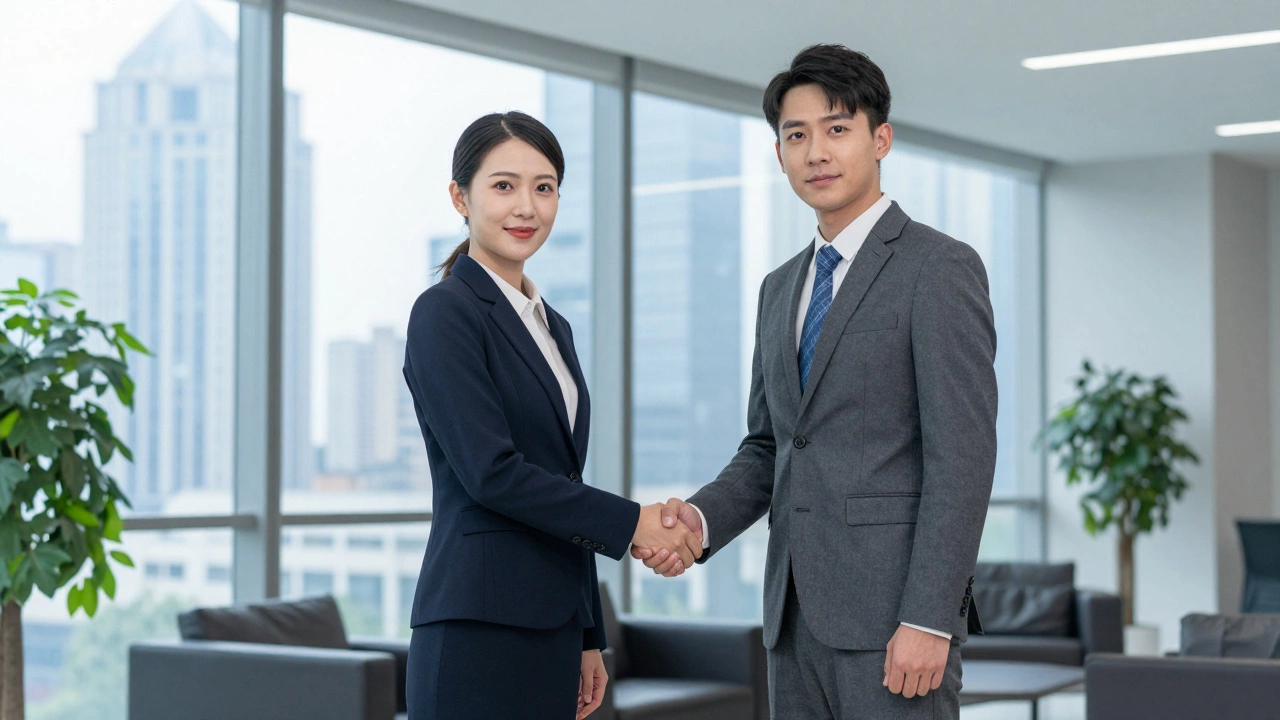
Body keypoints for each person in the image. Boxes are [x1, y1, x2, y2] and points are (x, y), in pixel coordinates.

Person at [633, 44, 998, 719]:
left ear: (880, 139)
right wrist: (702, 520)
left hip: (895, 625)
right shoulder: (780, 289)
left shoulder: (938, 268)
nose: (816, 152)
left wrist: (929, 617)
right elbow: (770, 447)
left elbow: (963, 460)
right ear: (779, 155)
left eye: (837, 129)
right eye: (795, 136)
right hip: (792, 620)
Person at [402, 111, 701, 720]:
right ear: (460, 196)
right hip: (476, 630)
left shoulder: (551, 326)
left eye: (544, 187)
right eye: (504, 185)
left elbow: (562, 482)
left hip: (552, 627)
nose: (527, 207)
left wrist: (588, 632)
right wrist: (634, 522)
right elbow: (493, 473)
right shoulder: (444, 313)